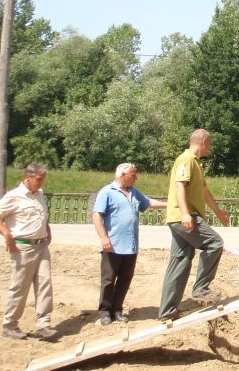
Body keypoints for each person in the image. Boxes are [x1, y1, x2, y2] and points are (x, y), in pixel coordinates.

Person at [158, 129, 229, 320]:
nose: (209, 149)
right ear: (204, 142)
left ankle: (167, 311)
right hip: (185, 218)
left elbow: (204, 191)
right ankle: (201, 289)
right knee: (215, 244)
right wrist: (185, 213)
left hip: (180, 218)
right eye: (210, 145)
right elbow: (179, 185)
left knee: (180, 262)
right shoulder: (186, 159)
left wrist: (218, 213)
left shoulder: (196, 164)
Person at [0, 163, 57, 341]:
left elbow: (42, 215)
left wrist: (47, 229)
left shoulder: (39, 195)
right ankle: (10, 324)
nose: (41, 183)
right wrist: (6, 233)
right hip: (23, 247)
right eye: (38, 179)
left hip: (41, 246)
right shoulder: (14, 196)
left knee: (45, 283)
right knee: (20, 286)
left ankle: (43, 324)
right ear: (28, 177)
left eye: (43, 179)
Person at [92, 162, 166, 326]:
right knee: (108, 280)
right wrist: (104, 237)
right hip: (113, 245)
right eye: (134, 174)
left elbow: (149, 203)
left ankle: (117, 310)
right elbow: (97, 215)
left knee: (125, 279)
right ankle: (105, 312)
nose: (136, 177)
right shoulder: (107, 192)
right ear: (122, 175)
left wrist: (173, 205)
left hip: (130, 246)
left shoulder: (133, 192)